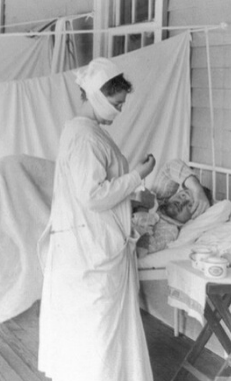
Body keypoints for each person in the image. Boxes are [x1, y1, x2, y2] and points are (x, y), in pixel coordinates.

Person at [37, 57, 156, 381]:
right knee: (97, 331)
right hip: (89, 246)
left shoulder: (83, 131)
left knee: (95, 330)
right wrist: (136, 176)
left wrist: (131, 197)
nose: (119, 112)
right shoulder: (85, 136)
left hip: (84, 240)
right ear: (100, 98)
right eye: (116, 105)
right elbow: (92, 196)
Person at [131, 159, 213, 255]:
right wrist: (197, 189)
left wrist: (143, 209)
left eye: (190, 205)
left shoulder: (169, 231)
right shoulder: (160, 197)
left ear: (194, 217)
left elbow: (141, 249)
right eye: (183, 195)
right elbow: (170, 166)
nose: (181, 202)